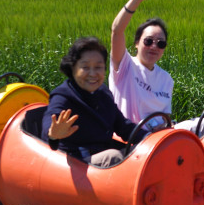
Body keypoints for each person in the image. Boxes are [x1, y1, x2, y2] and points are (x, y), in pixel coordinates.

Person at [108, 0, 204, 132]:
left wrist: (165, 129)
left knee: (203, 124)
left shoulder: (166, 80)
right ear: (137, 43)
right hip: (130, 139)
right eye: (148, 41)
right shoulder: (125, 65)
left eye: (160, 43)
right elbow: (117, 31)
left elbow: (165, 118)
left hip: (158, 139)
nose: (154, 46)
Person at [43, 36, 138, 168]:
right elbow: (49, 126)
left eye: (98, 67)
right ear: (73, 68)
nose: (93, 74)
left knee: (143, 154)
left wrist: (151, 138)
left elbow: (124, 127)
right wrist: (53, 135)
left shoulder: (103, 93)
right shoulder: (63, 96)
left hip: (104, 156)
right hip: (74, 163)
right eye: (85, 67)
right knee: (113, 157)